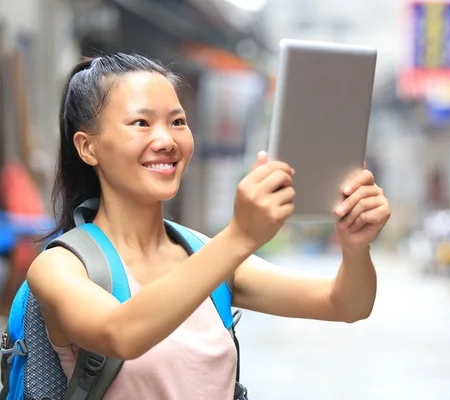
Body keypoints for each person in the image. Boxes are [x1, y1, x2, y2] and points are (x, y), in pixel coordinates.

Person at [26, 53, 391, 399]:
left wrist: (355, 247)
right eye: (141, 123)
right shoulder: (60, 266)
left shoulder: (203, 254)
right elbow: (120, 332)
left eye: (177, 122)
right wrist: (240, 236)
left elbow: (346, 304)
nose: (166, 140)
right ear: (87, 147)